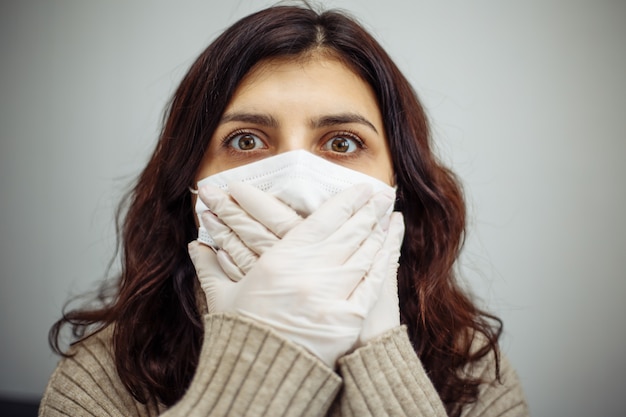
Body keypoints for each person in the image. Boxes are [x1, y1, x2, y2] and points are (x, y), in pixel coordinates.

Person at [40, 4, 528, 417]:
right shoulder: (102, 378)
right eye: (246, 140)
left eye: (342, 141)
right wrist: (257, 361)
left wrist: (381, 357)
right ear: (189, 182)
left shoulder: (474, 370)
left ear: (398, 184)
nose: (296, 187)